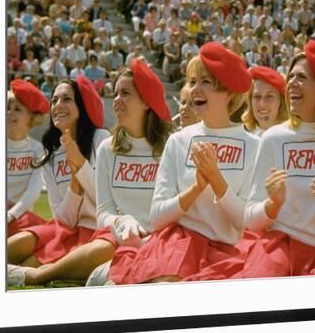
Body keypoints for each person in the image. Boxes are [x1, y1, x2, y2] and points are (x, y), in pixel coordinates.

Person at [107, 42, 259, 284]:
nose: (195, 90)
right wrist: (196, 189)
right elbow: (157, 217)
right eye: (192, 81)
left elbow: (248, 223)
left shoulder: (254, 146)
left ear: (229, 92)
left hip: (227, 253)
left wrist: (216, 181)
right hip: (178, 244)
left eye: (206, 82)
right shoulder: (178, 141)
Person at [225, 40, 315, 279]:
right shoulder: (273, 138)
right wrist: (272, 204)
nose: (292, 83)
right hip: (277, 250)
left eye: (302, 77)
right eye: (291, 76)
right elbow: (250, 219)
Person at [6, 77, 113, 286]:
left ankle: (33, 274)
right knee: (13, 247)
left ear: (81, 105)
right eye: (54, 100)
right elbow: (60, 216)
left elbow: (106, 201)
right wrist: (75, 187)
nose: (58, 106)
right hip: (64, 228)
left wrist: (80, 168)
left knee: (31, 263)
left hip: (97, 230)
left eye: (66, 99)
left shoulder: (100, 139)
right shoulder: (51, 154)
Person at [87, 59, 174, 285]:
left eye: (125, 93)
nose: (116, 100)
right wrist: (121, 221)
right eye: (115, 93)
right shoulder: (107, 148)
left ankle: (106, 274)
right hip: (122, 239)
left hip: (164, 241)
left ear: (146, 102)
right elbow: (103, 213)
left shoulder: (170, 146)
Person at [6, 79, 49, 237]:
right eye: (8, 108)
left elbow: (33, 191)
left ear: (31, 118)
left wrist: (11, 214)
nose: (10, 113)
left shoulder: (37, 150)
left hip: (21, 218)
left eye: (17, 109)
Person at [242, 66, 288, 136]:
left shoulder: (292, 139)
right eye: (257, 96)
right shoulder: (243, 139)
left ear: (281, 102)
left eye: (269, 96)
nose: (262, 104)